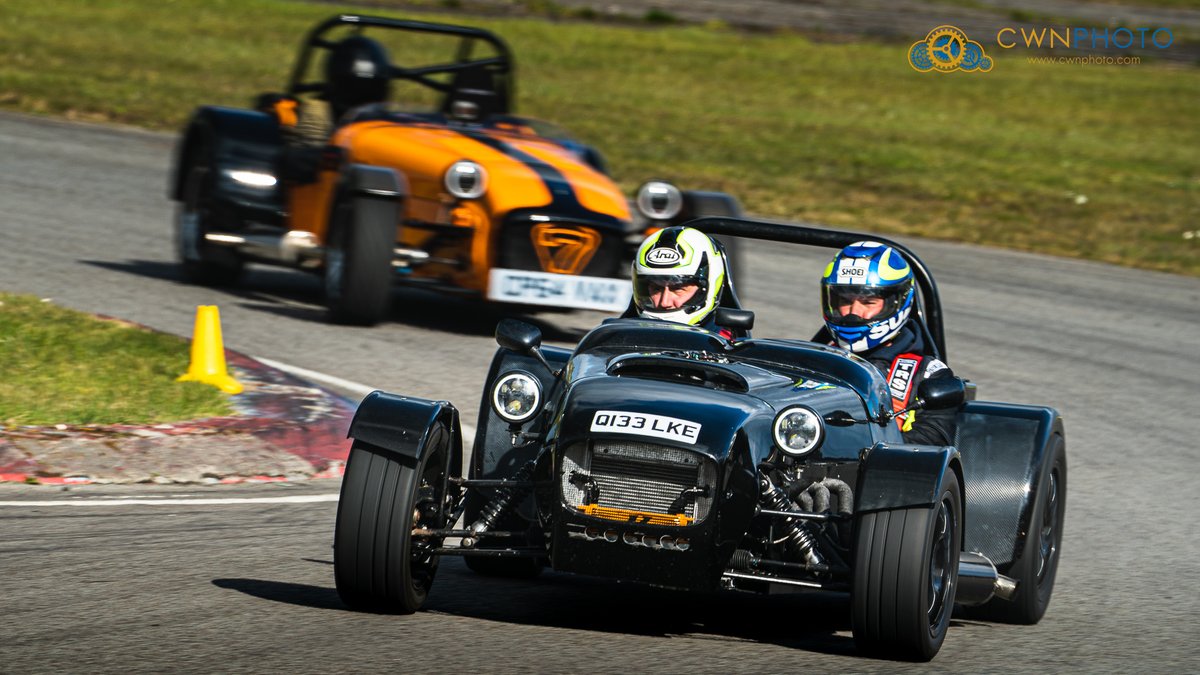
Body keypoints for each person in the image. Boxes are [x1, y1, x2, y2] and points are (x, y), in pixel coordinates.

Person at [818, 240, 957, 446]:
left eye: (868, 302)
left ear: (896, 303)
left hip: (877, 471)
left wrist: (857, 443)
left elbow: (933, 441)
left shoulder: (928, 374)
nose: (853, 312)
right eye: (845, 301)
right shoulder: (815, 358)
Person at [628, 226, 734, 333]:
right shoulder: (621, 334)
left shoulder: (725, 343)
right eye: (656, 288)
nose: (665, 302)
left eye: (677, 289)